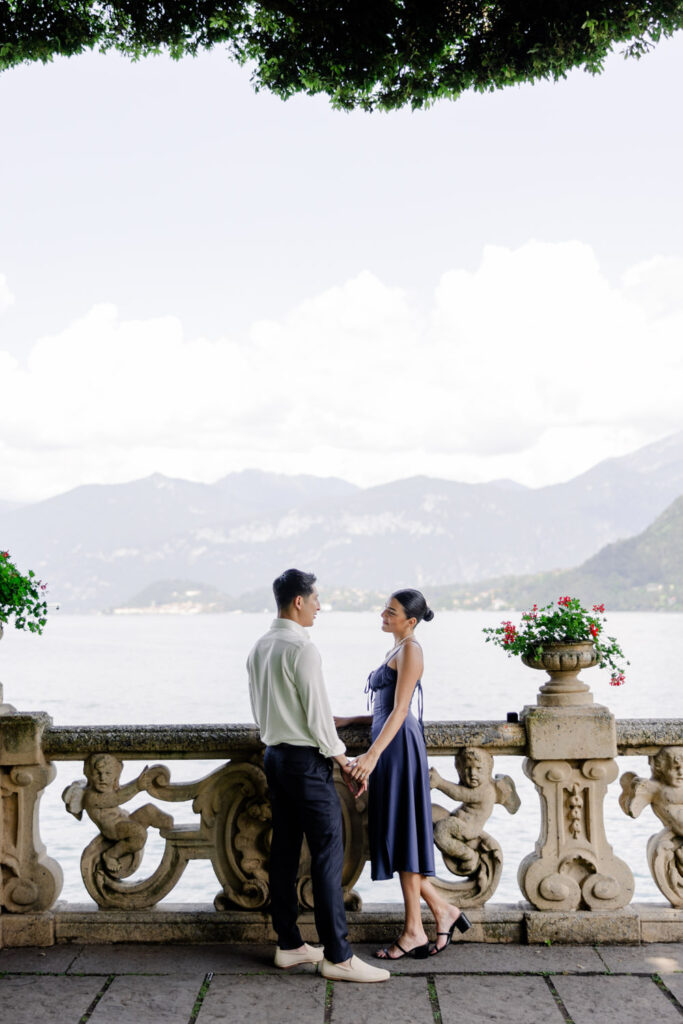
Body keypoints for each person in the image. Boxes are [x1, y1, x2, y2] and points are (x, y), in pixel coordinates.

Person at [247, 568, 390, 983]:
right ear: (298, 601)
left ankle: (290, 944)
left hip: (274, 756)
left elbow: (265, 711)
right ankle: (339, 956)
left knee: (286, 851)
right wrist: (346, 762)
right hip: (305, 763)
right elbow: (316, 717)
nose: (319, 606)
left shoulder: (260, 647)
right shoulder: (303, 649)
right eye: (315, 600)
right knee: (329, 854)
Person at [341, 589, 472, 958]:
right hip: (390, 743)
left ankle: (416, 929)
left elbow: (400, 711)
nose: (383, 614)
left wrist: (371, 754)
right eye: (385, 608)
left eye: (391, 611)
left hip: (397, 747)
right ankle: (441, 912)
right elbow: (386, 708)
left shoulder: (412, 649)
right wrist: (351, 720)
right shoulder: (396, 649)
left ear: (410, 621)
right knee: (397, 835)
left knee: (402, 834)